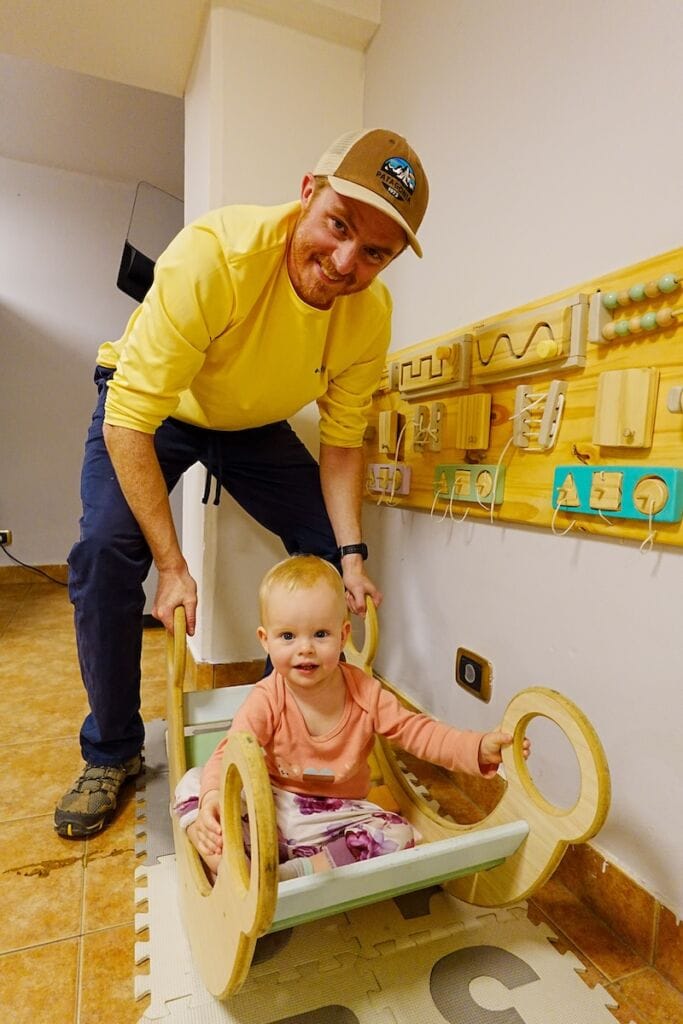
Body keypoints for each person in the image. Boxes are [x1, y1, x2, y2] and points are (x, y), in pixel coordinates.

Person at [55, 128, 430, 839]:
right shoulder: (217, 256)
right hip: (154, 411)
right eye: (338, 226)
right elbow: (129, 421)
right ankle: (112, 750)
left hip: (249, 423)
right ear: (306, 195)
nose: (346, 261)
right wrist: (172, 567)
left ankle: (282, 725)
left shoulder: (368, 317)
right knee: (106, 550)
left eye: (374, 252)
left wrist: (352, 556)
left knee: (322, 546)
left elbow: (343, 444)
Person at [175, 555, 529, 881]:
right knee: (194, 783)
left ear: (343, 635)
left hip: (336, 814)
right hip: (272, 801)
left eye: (320, 634)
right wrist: (212, 800)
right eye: (287, 636)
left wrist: (477, 747)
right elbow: (230, 750)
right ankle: (222, 854)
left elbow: (418, 732)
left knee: (397, 833)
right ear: (265, 641)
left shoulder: (365, 693)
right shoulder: (267, 697)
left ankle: (292, 874)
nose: (305, 648)